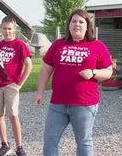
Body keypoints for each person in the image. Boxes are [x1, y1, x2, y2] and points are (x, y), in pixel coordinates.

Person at [35, 9, 113, 156]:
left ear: (88, 26)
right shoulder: (58, 44)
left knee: (84, 142)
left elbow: (108, 72)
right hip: (58, 104)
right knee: (50, 140)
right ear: (69, 25)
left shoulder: (97, 46)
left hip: (85, 105)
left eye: (81, 22)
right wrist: (40, 92)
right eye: (74, 21)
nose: (77, 24)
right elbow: (46, 69)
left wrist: (93, 72)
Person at [0, 16, 32, 156]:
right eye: (4, 29)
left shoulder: (19, 44)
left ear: (14, 29)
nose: (7, 32)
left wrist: (20, 84)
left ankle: (19, 146)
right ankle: (4, 144)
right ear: (1, 29)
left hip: (12, 84)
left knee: (13, 115)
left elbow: (29, 65)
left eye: (10, 29)